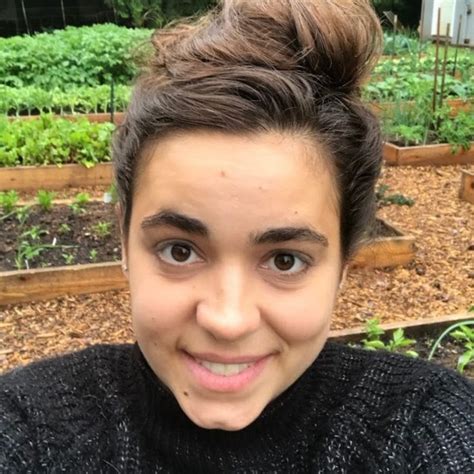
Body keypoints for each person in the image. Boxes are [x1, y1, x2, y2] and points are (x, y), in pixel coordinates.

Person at [1, 0, 473, 472]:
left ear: (344, 267)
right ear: (124, 242)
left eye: (285, 260)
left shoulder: (424, 425)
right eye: (180, 251)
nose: (228, 320)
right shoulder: (29, 426)